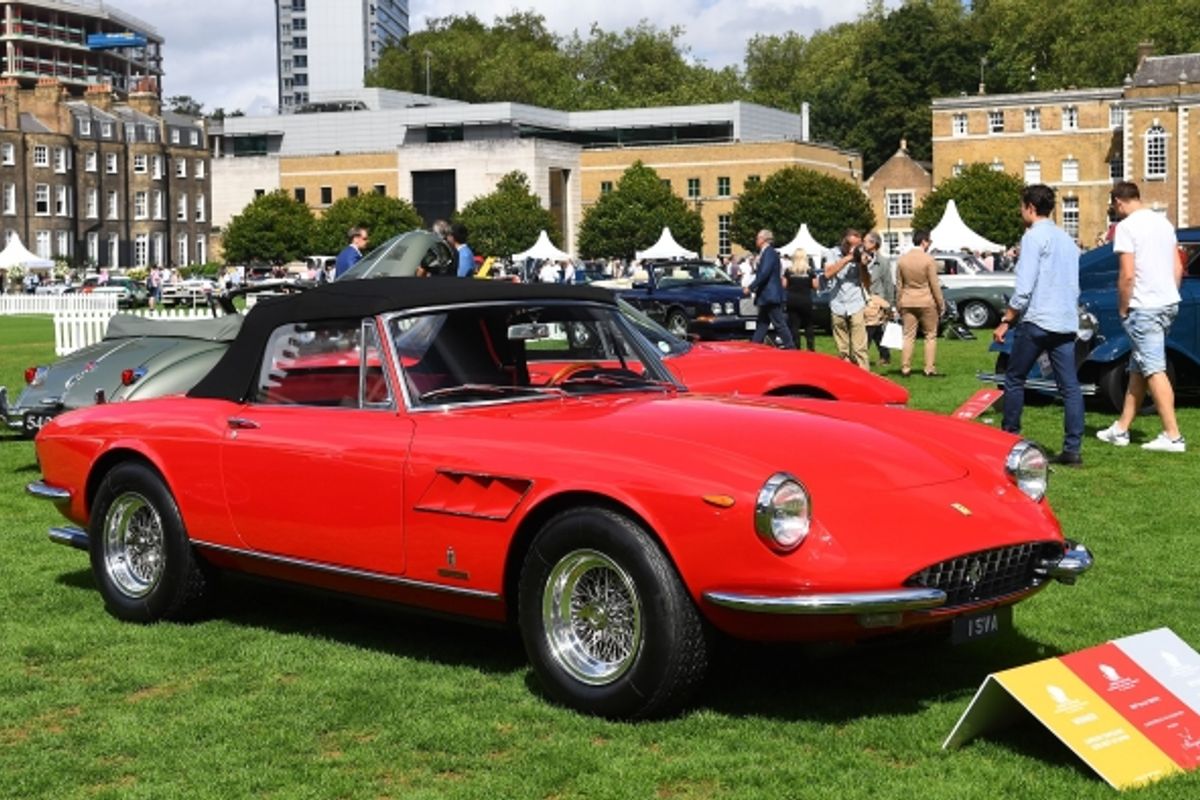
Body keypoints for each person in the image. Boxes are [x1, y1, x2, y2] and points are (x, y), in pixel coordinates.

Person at [993, 184, 1084, 466]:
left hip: (1037, 320)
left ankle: (1010, 438)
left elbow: (1024, 286)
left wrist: (1007, 319)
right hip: (1065, 322)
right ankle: (1073, 449)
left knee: (1014, 377)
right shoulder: (1068, 241)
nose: (1021, 212)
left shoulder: (1033, 238)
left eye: (1022, 207)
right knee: (1069, 387)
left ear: (1031, 208)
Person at [1096, 181, 1186, 452]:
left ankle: (1173, 435)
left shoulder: (1126, 228)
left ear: (1119, 202)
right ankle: (1121, 429)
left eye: (1113, 205)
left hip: (1143, 306)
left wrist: (1123, 307)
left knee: (1153, 369)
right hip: (1168, 302)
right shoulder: (1164, 223)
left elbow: (1127, 274)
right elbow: (1178, 267)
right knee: (1139, 367)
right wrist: (1168, 293)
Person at [896, 229, 945, 377]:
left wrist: (898, 303)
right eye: (929, 241)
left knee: (908, 336)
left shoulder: (902, 260)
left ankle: (905, 367)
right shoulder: (928, 260)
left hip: (907, 300)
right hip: (926, 301)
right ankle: (929, 368)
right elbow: (934, 285)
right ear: (924, 241)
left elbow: (899, 285)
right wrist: (941, 304)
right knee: (930, 335)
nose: (929, 244)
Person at [822, 229, 869, 368]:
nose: (855, 248)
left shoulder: (862, 255)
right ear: (844, 242)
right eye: (851, 244)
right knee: (842, 349)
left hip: (856, 302)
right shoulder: (832, 253)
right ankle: (846, 375)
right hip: (837, 302)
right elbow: (828, 273)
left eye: (858, 245)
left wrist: (863, 266)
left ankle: (864, 376)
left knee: (859, 346)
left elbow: (867, 283)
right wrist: (848, 258)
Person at [744, 229, 795, 348]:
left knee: (779, 323)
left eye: (757, 238)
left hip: (770, 295)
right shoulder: (766, 253)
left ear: (763, 239)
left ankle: (791, 347)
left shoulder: (769, 253)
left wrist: (750, 287)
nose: (756, 240)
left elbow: (764, 273)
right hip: (766, 295)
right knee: (762, 324)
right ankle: (754, 346)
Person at [862, 232, 894, 365]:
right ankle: (885, 356)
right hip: (863, 298)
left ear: (874, 244)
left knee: (870, 329)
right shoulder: (860, 259)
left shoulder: (883, 262)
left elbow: (888, 283)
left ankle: (862, 356)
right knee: (876, 330)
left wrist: (890, 304)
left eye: (866, 241)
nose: (863, 244)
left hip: (877, 301)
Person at [785, 249, 817, 351]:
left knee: (794, 325)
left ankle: (796, 347)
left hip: (792, 300)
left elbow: (784, 284)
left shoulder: (789, 271)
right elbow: (815, 285)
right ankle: (810, 347)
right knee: (808, 324)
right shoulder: (810, 271)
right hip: (805, 300)